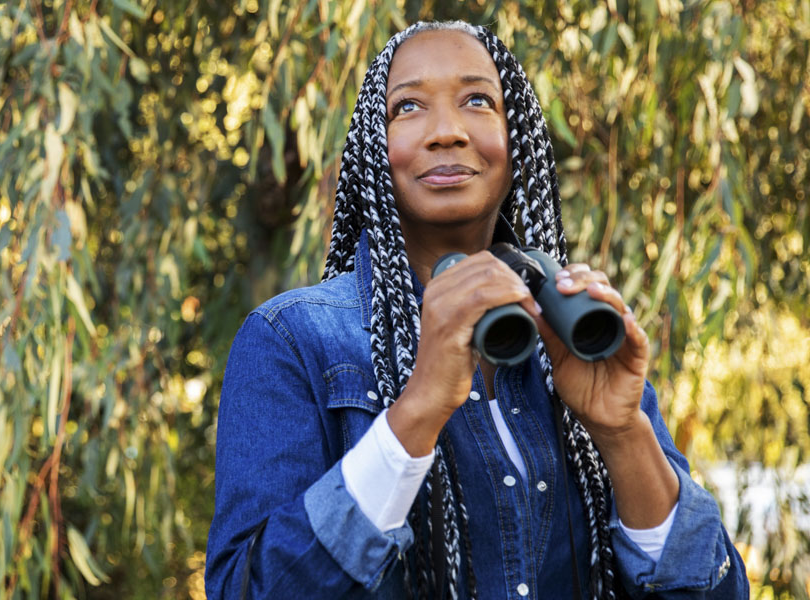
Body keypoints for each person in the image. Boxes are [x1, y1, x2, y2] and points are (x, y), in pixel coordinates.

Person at [205, 20, 747, 599]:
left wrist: (623, 432)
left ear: (518, 144)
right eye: (408, 106)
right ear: (372, 151)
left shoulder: (582, 331)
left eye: (477, 100)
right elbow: (246, 589)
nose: (447, 131)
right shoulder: (293, 339)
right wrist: (417, 411)